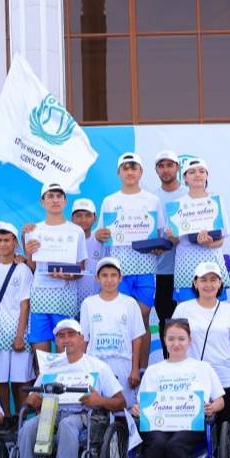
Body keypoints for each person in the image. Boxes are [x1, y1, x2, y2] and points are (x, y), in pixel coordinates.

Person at [124, 318, 226, 458]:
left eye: (181, 338)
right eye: (171, 339)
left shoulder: (203, 368)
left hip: (189, 425)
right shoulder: (153, 370)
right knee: (159, 444)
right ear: (164, 340)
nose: (176, 343)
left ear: (189, 340)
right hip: (158, 426)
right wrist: (137, 409)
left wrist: (212, 407)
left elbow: (220, 400)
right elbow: (142, 404)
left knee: (172, 446)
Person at [9, 320, 125, 458]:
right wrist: (33, 400)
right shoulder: (50, 368)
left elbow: (121, 402)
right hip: (50, 412)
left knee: (67, 425)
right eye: (61, 336)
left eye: (71, 334)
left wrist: (100, 401)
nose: (66, 339)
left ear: (81, 338)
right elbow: (33, 398)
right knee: (28, 427)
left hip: (83, 414)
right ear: (56, 341)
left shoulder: (97, 366)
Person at [95, 152, 165, 374]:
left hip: (145, 268)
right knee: (120, 318)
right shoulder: (110, 201)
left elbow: (161, 234)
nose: (130, 172)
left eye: (134, 167)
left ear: (141, 172)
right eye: (125, 168)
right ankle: (123, 369)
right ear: (119, 173)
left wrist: (159, 245)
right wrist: (100, 234)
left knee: (142, 317)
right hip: (119, 270)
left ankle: (142, 369)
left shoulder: (152, 200)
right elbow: (100, 233)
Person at [173, 262, 230, 458]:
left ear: (220, 283)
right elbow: (173, 344)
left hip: (226, 380)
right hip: (192, 382)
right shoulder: (183, 309)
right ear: (195, 283)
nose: (208, 284)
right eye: (204, 280)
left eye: (213, 280)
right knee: (191, 438)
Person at [23, 182, 88, 353]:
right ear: (42, 202)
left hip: (64, 297)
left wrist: (69, 275)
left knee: (65, 356)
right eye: (50, 196)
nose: (55, 200)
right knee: (41, 357)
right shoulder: (33, 230)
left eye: (59, 196)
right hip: (39, 297)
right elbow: (32, 267)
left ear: (65, 201)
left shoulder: (76, 231)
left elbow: (81, 268)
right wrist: (28, 252)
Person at [0, 223, 34, 418]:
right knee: (0, 379)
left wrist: (20, 335)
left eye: (6, 240)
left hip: (19, 329)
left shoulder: (23, 269)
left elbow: (25, 304)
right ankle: (6, 417)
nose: (2, 244)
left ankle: (21, 418)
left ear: (15, 243)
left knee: (21, 379)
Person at [80, 257, 147, 403]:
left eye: (113, 275)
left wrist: (135, 369)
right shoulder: (88, 303)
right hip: (96, 363)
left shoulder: (130, 303)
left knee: (122, 406)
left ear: (120, 278)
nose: (109, 280)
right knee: (96, 407)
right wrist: (82, 368)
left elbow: (137, 338)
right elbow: (83, 339)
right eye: (104, 275)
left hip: (123, 364)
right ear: (97, 278)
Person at [169, 157, 227, 305]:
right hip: (186, 267)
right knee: (186, 314)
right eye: (192, 172)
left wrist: (209, 244)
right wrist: (171, 236)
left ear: (207, 175)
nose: (197, 175)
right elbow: (174, 241)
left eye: (201, 171)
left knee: (215, 313)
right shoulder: (177, 205)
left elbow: (221, 240)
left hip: (213, 266)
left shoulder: (216, 201)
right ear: (185, 177)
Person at [152, 149, 187, 323]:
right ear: (156, 170)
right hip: (163, 269)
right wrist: (153, 246)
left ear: (177, 167)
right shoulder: (151, 197)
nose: (165, 170)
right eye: (161, 166)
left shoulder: (189, 195)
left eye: (169, 165)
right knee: (165, 320)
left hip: (188, 269)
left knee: (190, 321)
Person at [71, 198, 102, 305]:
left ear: (95, 218)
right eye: (79, 215)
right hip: (69, 301)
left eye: (88, 215)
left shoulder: (102, 241)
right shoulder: (65, 241)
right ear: (72, 218)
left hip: (95, 302)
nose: (83, 220)